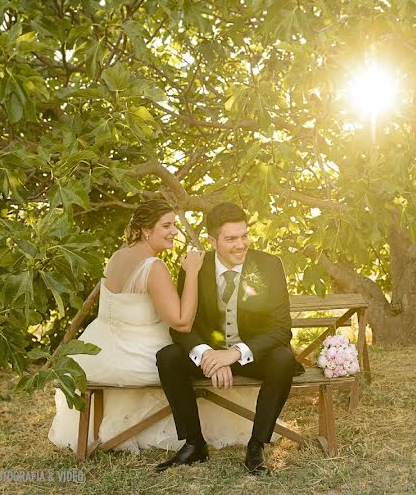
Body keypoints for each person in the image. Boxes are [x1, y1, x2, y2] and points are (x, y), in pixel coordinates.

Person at [48, 198, 262, 453]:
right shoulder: (153, 267)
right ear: (146, 230)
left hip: (101, 352)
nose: (174, 231)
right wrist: (192, 271)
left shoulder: (117, 257)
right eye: (166, 226)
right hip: (136, 355)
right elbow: (182, 323)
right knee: (189, 359)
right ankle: (199, 432)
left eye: (174, 225)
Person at [154, 202, 304, 475]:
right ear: (212, 241)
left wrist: (233, 354)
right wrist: (208, 355)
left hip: (252, 355)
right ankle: (194, 444)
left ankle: (256, 446)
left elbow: (281, 329)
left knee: (283, 358)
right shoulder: (194, 267)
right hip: (211, 355)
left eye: (244, 235)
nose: (241, 244)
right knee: (168, 357)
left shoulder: (270, 265)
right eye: (231, 239)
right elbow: (180, 327)